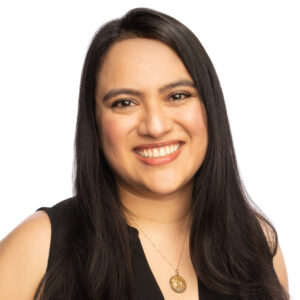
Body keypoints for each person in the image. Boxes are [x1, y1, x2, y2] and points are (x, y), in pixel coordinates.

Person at [0, 7, 289, 300]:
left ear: (210, 107)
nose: (156, 126)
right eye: (125, 103)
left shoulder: (257, 244)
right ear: (94, 122)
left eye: (177, 96)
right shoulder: (40, 246)